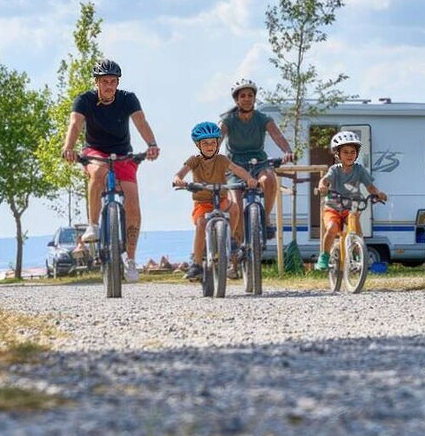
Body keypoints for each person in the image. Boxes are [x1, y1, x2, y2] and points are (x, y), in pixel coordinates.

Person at [61, 58, 160, 283]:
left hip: (123, 153)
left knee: (132, 201)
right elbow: (75, 124)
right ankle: (93, 225)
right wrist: (68, 147)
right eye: (104, 81)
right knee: (98, 173)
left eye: (113, 81)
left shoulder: (128, 99)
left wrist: (152, 144)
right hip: (95, 152)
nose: (109, 86)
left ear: (118, 83)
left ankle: (131, 260)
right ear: (96, 82)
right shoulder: (85, 100)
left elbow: (141, 122)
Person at [173, 122, 258, 281]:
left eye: (213, 143)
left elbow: (237, 169)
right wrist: (179, 180)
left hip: (221, 199)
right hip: (203, 203)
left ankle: (230, 239)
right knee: (201, 224)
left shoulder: (222, 160)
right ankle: (197, 263)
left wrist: (249, 179)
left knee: (234, 209)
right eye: (205, 143)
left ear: (218, 144)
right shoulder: (194, 160)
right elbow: (181, 173)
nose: (210, 146)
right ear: (198, 145)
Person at [219, 79, 294, 247]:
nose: (247, 99)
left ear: (254, 98)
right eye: (243, 96)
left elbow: (278, 136)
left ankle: (265, 218)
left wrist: (287, 151)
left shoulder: (263, 119)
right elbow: (217, 140)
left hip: (258, 162)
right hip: (235, 166)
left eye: (250, 95)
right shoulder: (228, 120)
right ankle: (236, 248)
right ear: (236, 100)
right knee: (236, 205)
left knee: (269, 180)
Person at [315, 130, 387, 271]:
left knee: (356, 228)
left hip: (351, 207)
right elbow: (325, 180)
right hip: (333, 207)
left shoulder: (359, 170)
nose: (349, 155)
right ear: (338, 154)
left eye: (352, 152)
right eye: (345, 152)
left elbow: (370, 187)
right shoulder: (335, 170)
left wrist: (378, 194)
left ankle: (359, 254)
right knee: (332, 228)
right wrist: (322, 186)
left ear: (357, 154)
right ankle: (324, 256)